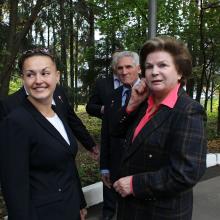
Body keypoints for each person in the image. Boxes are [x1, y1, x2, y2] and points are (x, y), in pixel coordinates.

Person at [112, 36, 207, 220]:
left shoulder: (188, 110)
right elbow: (116, 132)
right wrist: (131, 105)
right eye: (149, 66)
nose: (154, 72)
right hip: (131, 209)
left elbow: (187, 172)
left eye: (163, 65)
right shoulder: (144, 102)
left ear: (179, 71)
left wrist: (134, 184)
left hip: (160, 212)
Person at [0, 48, 91, 220]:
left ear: (57, 76)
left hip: (69, 208)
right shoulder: (16, 122)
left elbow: (68, 166)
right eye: (30, 74)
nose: (38, 80)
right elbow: (14, 187)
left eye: (45, 73)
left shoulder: (57, 114)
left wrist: (79, 202)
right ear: (23, 79)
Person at [100, 51, 140, 218]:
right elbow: (106, 134)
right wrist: (104, 167)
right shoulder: (112, 97)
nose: (124, 72)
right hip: (116, 163)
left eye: (128, 67)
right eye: (120, 68)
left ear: (138, 68)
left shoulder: (151, 94)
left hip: (140, 166)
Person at [86, 53, 122, 220]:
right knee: (109, 173)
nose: (121, 68)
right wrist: (103, 110)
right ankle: (108, 213)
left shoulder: (138, 82)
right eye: (117, 64)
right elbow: (90, 106)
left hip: (133, 136)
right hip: (109, 135)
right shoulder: (102, 83)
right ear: (112, 66)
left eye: (125, 64)